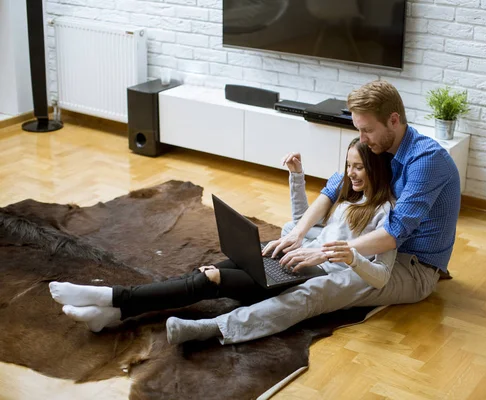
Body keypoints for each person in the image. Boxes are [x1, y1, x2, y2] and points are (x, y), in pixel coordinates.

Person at [162, 80, 461, 345]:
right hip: (374, 242)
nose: (363, 137)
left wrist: (326, 254)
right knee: (291, 233)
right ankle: (214, 283)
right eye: (359, 129)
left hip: (410, 266)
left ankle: (216, 328)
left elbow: (393, 234)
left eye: (367, 130)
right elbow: (333, 189)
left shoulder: (426, 161)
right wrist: (299, 234)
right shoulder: (382, 147)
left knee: (320, 290)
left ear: (394, 120)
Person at [48, 137, 396, 333]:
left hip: (310, 275)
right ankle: (114, 313)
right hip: (294, 258)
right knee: (211, 269)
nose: (351, 173)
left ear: (376, 168)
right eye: (348, 165)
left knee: (210, 279)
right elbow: (302, 224)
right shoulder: (347, 196)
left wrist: (348, 255)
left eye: (359, 166)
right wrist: (296, 177)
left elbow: (378, 273)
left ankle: (111, 296)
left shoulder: (385, 211)